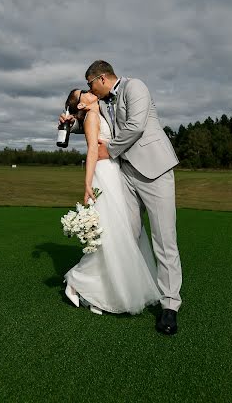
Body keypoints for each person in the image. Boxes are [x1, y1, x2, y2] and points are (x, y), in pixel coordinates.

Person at [60, 61, 182, 335]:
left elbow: (136, 126)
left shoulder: (134, 86)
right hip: (125, 175)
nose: (89, 90)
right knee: (125, 235)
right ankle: (121, 290)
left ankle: (170, 306)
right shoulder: (102, 102)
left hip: (155, 172)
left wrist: (108, 152)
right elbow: (96, 122)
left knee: (164, 240)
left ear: (101, 78)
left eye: (90, 85)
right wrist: (72, 122)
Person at [63, 87, 161, 316]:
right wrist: (87, 184)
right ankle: (78, 282)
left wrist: (70, 122)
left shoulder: (100, 111)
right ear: (81, 104)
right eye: (84, 92)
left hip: (115, 172)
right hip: (104, 174)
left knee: (120, 233)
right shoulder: (92, 116)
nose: (89, 90)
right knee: (110, 234)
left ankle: (104, 291)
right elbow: (92, 152)